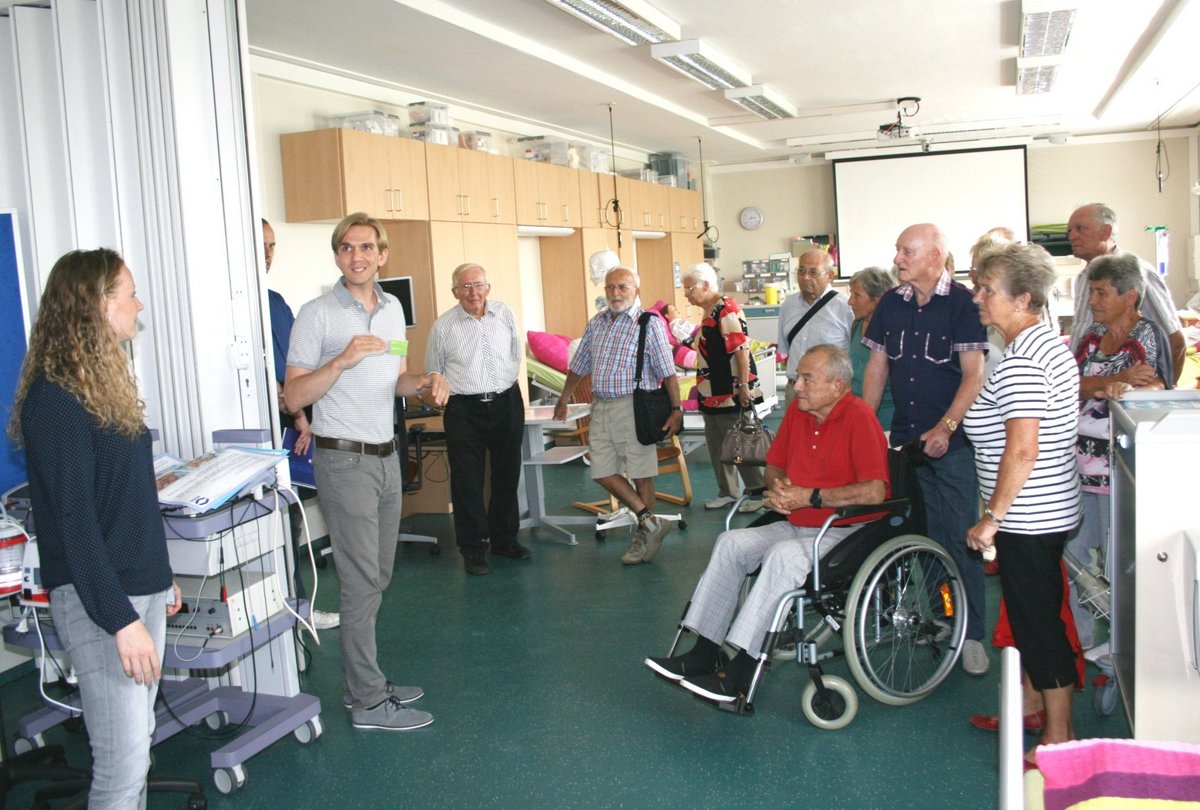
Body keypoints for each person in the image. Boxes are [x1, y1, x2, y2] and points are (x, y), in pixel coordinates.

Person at [10, 248, 182, 807]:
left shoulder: (102, 386)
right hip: (102, 604)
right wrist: (120, 620)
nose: (139, 304)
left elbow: (128, 502)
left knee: (139, 747)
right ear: (96, 306)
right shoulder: (55, 401)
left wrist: (162, 577)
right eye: (128, 293)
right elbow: (77, 528)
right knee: (121, 765)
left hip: (139, 588)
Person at [644, 345, 889, 703]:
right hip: (798, 521)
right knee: (731, 543)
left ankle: (741, 670)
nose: (797, 386)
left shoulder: (859, 417)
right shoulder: (799, 413)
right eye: (797, 377)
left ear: (838, 386)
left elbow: (875, 491)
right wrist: (778, 487)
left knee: (783, 557)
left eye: (807, 379)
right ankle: (704, 651)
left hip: (843, 530)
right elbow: (774, 465)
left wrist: (811, 496)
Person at [285, 212, 449, 731]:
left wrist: (425, 382)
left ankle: (364, 681)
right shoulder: (316, 315)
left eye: (366, 248)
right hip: (343, 458)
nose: (356, 256)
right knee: (359, 581)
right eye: (346, 248)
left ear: (382, 256)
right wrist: (341, 360)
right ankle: (369, 701)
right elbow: (293, 395)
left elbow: (395, 381)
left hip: (385, 454)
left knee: (378, 575)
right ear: (337, 256)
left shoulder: (394, 309)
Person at [963, 242, 1083, 768]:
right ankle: (1033, 707)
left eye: (989, 290)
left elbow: (1023, 448)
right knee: (1033, 613)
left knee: (1038, 624)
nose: (979, 298)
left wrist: (992, 519)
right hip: (1049, 508)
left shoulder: (1022, 362)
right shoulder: (1044, 346)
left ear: (1024, 299)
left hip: (1029, 516)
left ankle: (1060, 737)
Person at [862, 223, 991, 675]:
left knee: (958, 536)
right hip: (905, 441)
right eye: (897, 250)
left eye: (907, 251)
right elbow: (878, 367)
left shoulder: (962, 304)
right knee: (919, 533)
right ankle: (943, 619)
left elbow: (973, 374)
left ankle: (972, 633)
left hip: (951, 445)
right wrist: (865, 426)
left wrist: (947, 426)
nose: (897, 259)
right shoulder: (890, 305)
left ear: (935, 256)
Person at [1069, 253, 1169, 649]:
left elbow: (1156, 387)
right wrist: (1117, 379)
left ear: (1129, 296)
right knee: (1076, 562)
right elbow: (1072, 386)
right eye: (1092, 291)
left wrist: (1119, 384)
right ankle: (1082, 640)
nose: (1092, 300)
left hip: (1118, 471)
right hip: (1078, 467)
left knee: (1118, 565)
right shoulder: (1091, 336)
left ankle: (1123, 651)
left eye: (1101, 292)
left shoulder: (1146, 335)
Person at [553, 266, 682, 565]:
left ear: (636, 289)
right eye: (610, 288)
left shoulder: (648, 323)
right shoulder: (597, 323)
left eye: (622, 287)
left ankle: (644, 537)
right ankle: (650, 521)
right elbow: (580, 364)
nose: (615, 293)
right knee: (601, 470)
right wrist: (564, 397)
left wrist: (676, 410)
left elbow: (668, 372)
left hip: (634, 406)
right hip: (601, 406)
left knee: (641, 474)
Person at [425, 262, 527, 577]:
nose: (473, 292)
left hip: (507, 401)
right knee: (467, 481)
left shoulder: (505, 314)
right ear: (455, 292)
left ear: (488, 287)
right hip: (464, 409)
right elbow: (434, 371)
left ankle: (505, 540)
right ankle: (472, 549)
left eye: (478, 284)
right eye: (466, 286)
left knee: (506, 474)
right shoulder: (443, 326)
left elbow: (514, 353)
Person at [263, 218, 340, 630]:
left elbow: (294, 368)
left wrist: (301, 414)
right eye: (261, 245)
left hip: (285, 420)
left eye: (273, 245)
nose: (268, 253)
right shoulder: (229, 301)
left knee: (287, 520)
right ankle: (282, 611)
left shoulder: (274, 301)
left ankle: (296, 609)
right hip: (255, 428)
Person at [1065, 203, 1183, 382]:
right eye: (1070, 230)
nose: (1072, 236)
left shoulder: (1137, 272)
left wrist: (1166, 392)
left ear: (1106, 232)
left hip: (1128, 395)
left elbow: (1175, 341)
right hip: (1086, 393)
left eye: (1080, 228)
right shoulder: (1083, 278)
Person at [681, 262, 766, 513]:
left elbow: (741, 350)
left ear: (706, 285)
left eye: (689, 288)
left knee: (739, 443)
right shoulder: (710, 310)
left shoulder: (726, 309)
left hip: (729, 391)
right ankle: (728, 492)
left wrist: (742, 386)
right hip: (711, 390)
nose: (686, 293)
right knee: (717, 443)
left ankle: (758, 492)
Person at [777, 249, 853, 397]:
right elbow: (785, 348)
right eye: (801, 271)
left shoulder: (845, 308)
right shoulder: (788, 305)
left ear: (830, 276)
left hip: (830, 393)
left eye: (813, 272)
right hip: (795, 390)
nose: (805, 277)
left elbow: (854, 355)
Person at [846, 267, 896, 429]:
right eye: (851, 293)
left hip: (886, 423)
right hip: (857, 416)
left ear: (878, 299)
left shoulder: (893, 333)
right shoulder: (857, 325)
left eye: (857, 295)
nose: (850, 301)